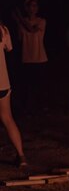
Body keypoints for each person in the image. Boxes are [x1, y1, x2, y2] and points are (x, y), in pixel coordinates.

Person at [12, 0, 48, 111]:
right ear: (27, 8)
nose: (33, 8)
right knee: (28, 85)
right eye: (31, 6)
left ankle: (41, 107)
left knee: (40, 85)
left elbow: (32, 30)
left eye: (35, 5)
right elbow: (20, 37)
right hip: (27, 57)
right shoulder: (23, 22)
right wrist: (18, 22)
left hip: (40, 57)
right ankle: (29, 108)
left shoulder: (41, 21)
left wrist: (20, 18)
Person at [0, 22, 27, 167]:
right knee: (8, 118)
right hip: (2, 82)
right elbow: (9, 48)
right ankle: (21, 156)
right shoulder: (3, 29)